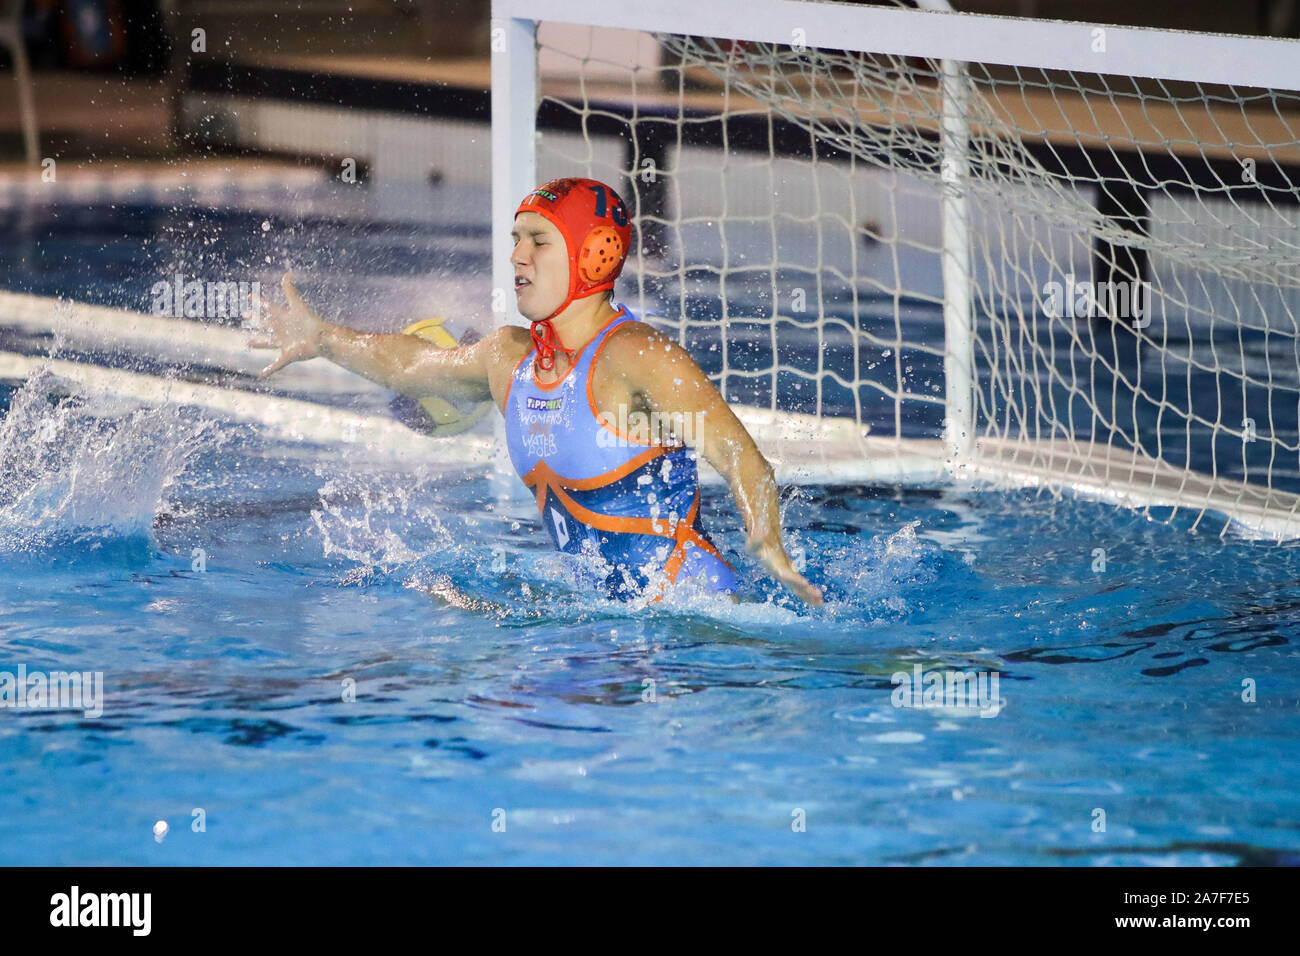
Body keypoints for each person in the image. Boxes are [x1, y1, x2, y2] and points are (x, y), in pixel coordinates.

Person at [247, 177, 822, 606]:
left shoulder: (639, 356)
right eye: (517, 238)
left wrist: (766, 539)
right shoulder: (509, 358)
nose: (518, 255)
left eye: (539, 241)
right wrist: (323, 337)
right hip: (603, 621)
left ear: (592, 253)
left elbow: (741, 457)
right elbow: (414, 363)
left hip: (698, 618)